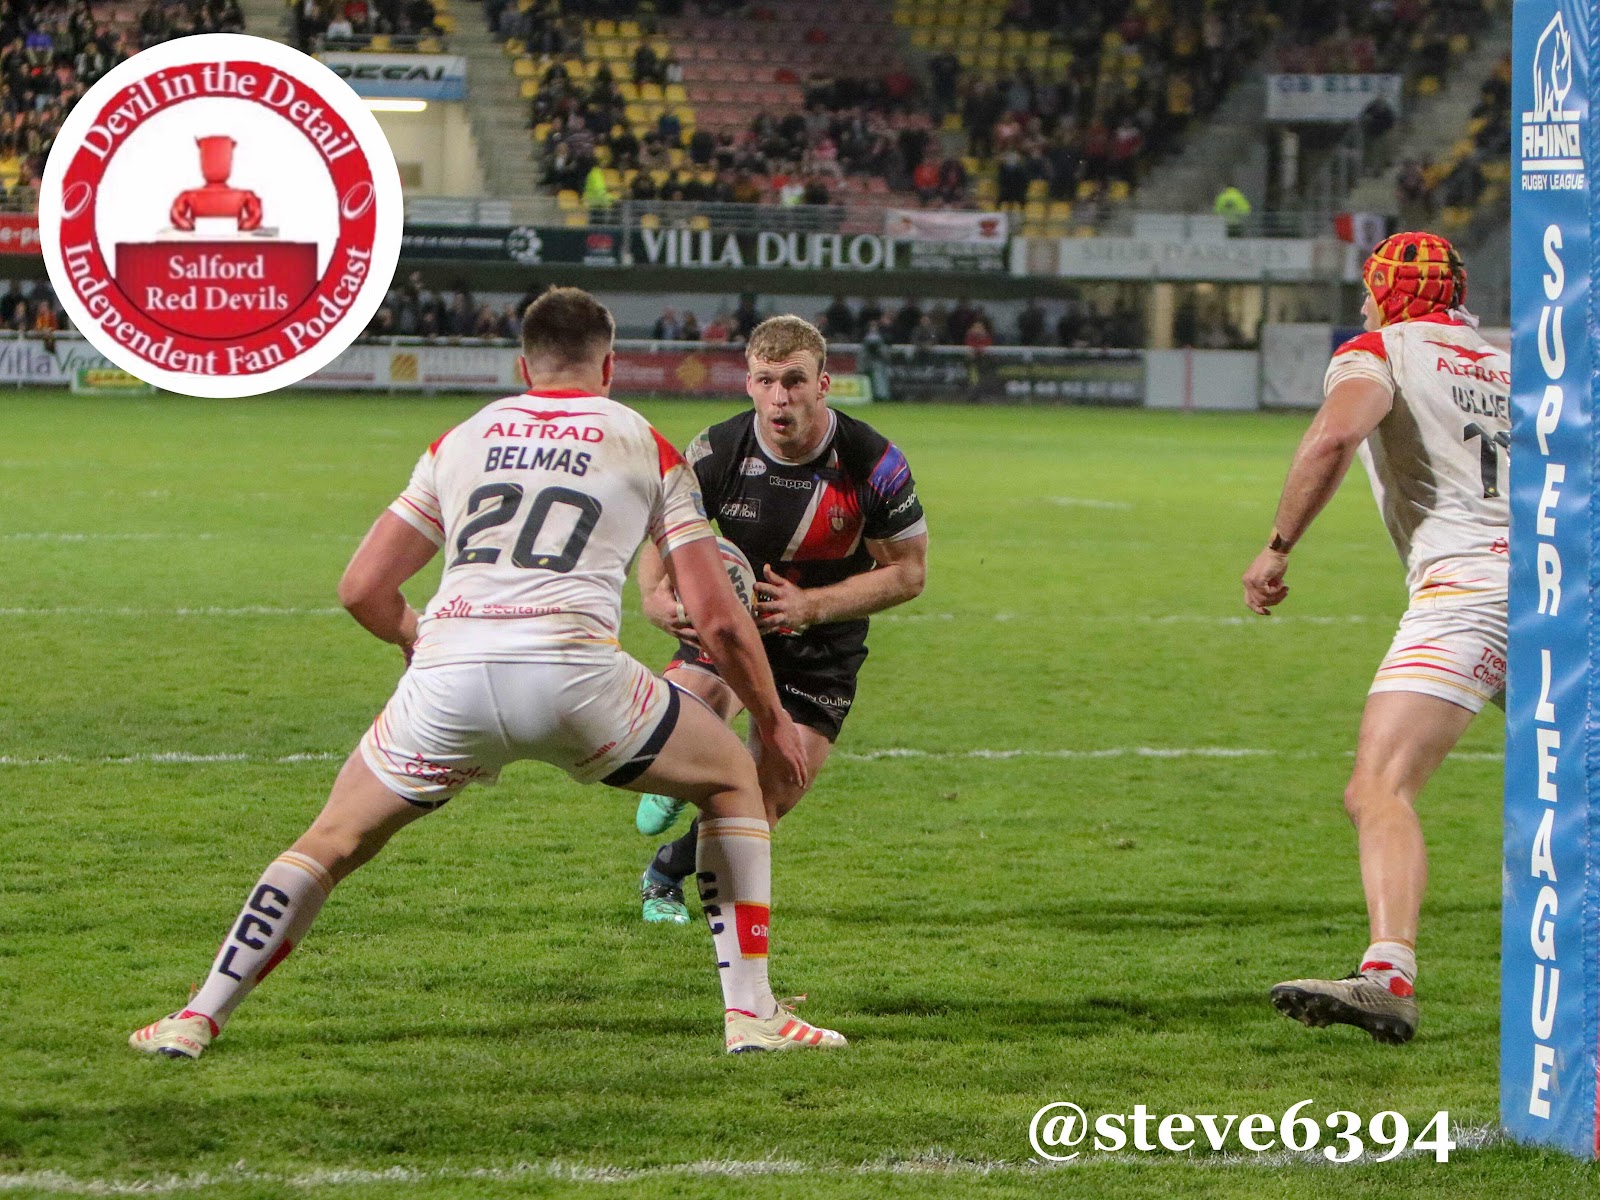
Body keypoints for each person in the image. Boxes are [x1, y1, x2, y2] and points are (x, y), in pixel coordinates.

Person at [129, 288, 846, 1060]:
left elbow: (362, 588)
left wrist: (417, 639)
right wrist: (772, 722)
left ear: (522, 367)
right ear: (609, 366)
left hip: (450, 676)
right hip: (576, 675)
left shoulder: (461, 439)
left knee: (332, 838)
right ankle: (752, 1015)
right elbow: (718, 619)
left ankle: (197, 1016)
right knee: (734, 779)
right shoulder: (646, 443)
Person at [1241, 232, 1508, 1045]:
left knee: (1378, 787)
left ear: (1389, 293)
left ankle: (1388, 976)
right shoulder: (1513, 366)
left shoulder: (1379, 350)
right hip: (1560, 588)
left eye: (1369, 289)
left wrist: (1278, 546)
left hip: (1467, 592)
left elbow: (1334, 436)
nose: (1363, 304)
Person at [629, 316, 928, 924]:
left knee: (765, 803)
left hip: (823, 647)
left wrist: (810, 606)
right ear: (748, 384)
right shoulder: (717, 450)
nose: (780, 397)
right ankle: (681, 776)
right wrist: (655, 599)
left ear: (823, 384)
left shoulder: (873, 463)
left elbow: (908, 573)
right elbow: (660, 534)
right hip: (733, 629)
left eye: (794, 381)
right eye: (766, 381)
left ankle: (666, 871)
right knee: (679, 718)